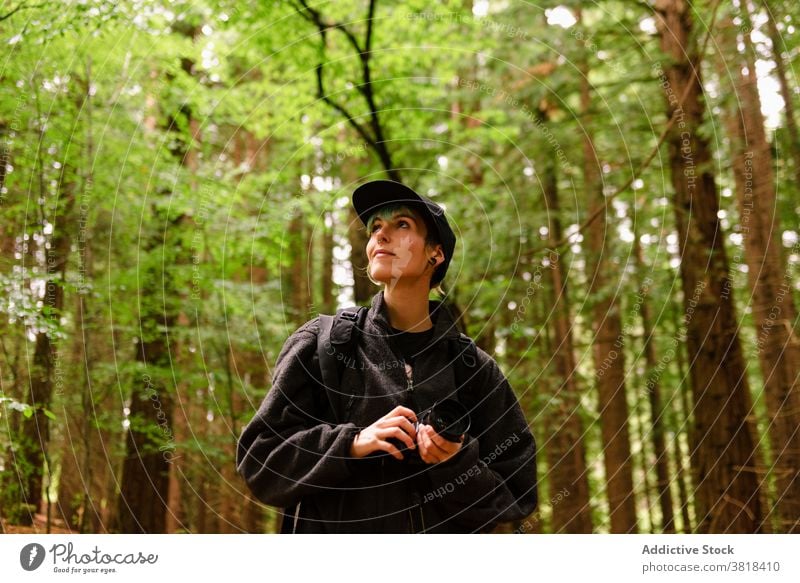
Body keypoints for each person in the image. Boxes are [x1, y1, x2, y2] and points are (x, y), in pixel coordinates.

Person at [236, 179, 537, 533]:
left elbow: (518, 496)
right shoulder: (323, 344)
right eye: (375, 227)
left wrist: (455, 462)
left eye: (402, 225)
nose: (380, 235)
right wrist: (351, 444)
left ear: (435, 253)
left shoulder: (476, 371)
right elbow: (260, 462)